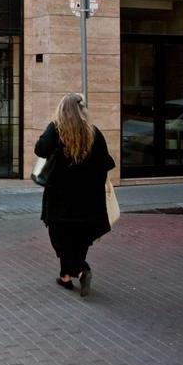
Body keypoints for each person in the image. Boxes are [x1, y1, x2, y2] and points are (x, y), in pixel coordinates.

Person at [35, 93, 115, 297]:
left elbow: (40, 149)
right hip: (89, 198)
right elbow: (106, 164)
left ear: (62, 110)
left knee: (60, 236)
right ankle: (66, 276)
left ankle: (80, 270)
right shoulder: (94, 133)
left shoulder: (57, 129)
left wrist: (50, 129)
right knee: (80, 237)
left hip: (60, 197)